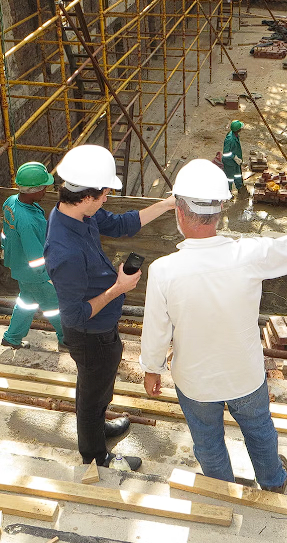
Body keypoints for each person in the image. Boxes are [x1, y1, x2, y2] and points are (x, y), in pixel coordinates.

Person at [139, 158, 287, 492]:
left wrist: (151, 369)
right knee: (259, 430)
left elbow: (156, 329)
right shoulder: (248, 255)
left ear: (179, 213)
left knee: (207, 441)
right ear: (220, 212)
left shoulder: (164, 270)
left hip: (195, 381)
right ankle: (272, 481)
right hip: (245, 374)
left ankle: (222, 490)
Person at [44, 144, 175, 471]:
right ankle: (95, 455)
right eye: (104, 195)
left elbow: (120, 225)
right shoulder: (66, 253)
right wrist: (118, 288)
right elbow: (72, 315)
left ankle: (99, 426)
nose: (106, 200)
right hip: (89, 333)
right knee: (91, 395)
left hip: (102, 329)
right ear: (87, 196)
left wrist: (168, 204)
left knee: (98, 386)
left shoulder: (76, 211)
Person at [0, 162, 64, 350]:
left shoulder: (11, 202)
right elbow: (36, 258)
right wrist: (49, 277)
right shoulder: (27, 221)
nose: (46, 191)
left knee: (26, 302)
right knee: (56, 307)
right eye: (43, 187)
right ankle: (68, 340)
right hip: (37, 275)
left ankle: (12, 338)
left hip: (21, 268)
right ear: (32, 190)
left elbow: (5, 233)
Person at [222, 119, 244, 192]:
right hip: (229, 163)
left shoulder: (235, 135)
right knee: (229, 178)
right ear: (238, 130)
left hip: (235, 161)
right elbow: (226, 153)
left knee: (238, 175)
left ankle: (240, 187)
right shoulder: (230, 139)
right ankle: (228, 192)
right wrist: (234, 157)